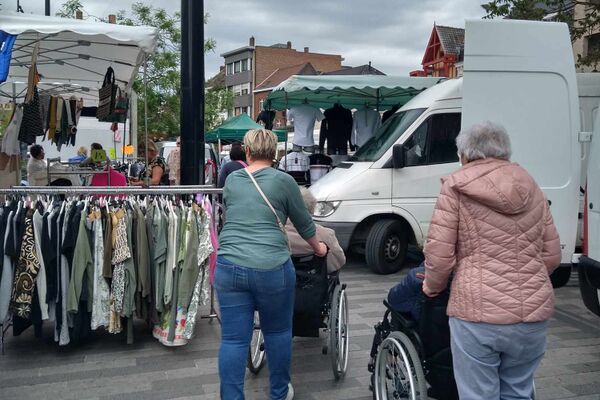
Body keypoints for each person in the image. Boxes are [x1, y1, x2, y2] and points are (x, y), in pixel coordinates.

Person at [422, 122, 561, 400]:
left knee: (478, 394)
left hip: (477, 311)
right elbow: (552, 254)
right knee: (519, 391)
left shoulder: (456, 185)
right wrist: (523, 278)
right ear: (505, 151)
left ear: (465, 154)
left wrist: (431, 287)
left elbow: (440, 256)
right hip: (532, 315)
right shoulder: (531, 184)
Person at [216, 128, 327, 400]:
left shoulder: (232, 180)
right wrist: (319, 248)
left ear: (248, 151)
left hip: (229, 265)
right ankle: (278, 393)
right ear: (275, 152)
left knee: (233, 340)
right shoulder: (284, 181)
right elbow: (304, 223)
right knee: (277, 332)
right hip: (272, 267)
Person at [286, 187, 345, 273]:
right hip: (314, 282)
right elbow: (338, 262)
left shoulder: (273, 233)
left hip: (281, 282)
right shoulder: (326, 234)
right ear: (312, 208)